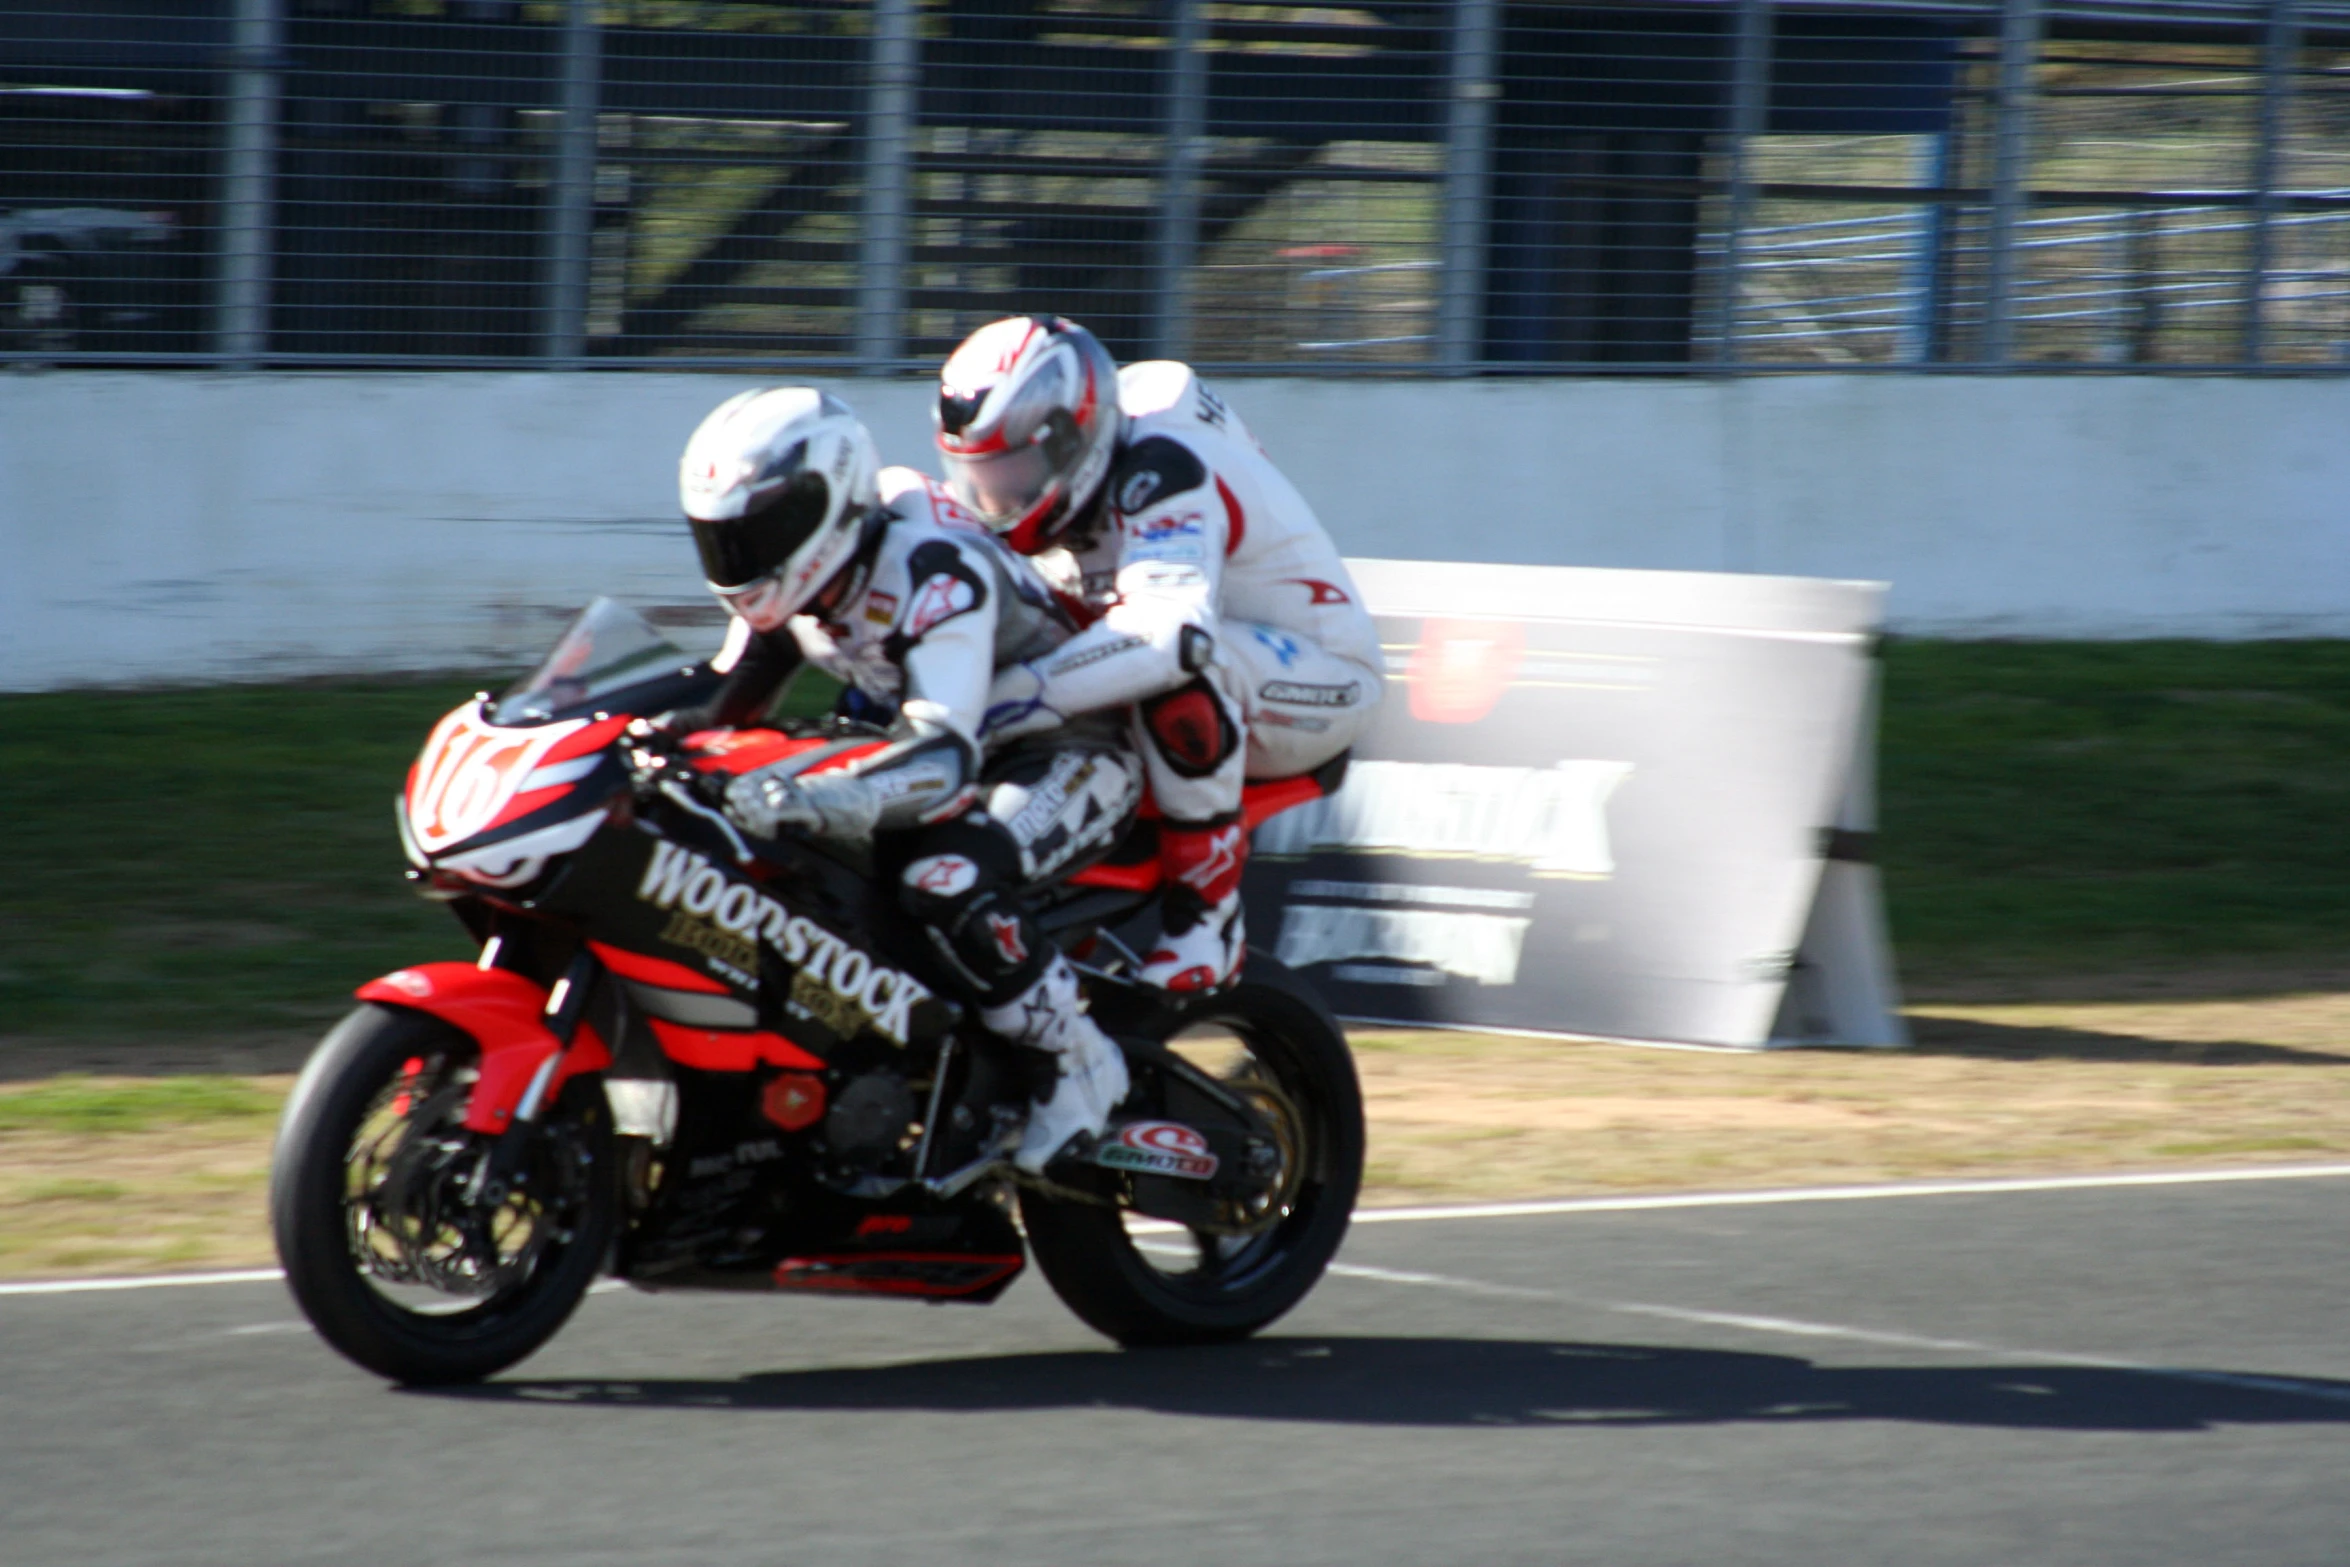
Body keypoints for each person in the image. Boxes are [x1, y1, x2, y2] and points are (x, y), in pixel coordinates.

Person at [674, 385, 1139, 1173]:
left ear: (825, 507)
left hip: (1069, 749)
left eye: (760, 532)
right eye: (725, 539)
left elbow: (942, 760)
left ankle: (1079, 1061)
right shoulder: (802, 584)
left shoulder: (929, 570)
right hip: (948, 745)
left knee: (945, 876)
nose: (743, 557)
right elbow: (716, 701)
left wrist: (814, 798)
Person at [934, 315, 1383, 993]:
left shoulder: (1161, 469)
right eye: (981, 475)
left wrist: (1015, 698)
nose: (996, 496)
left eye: (1014, 470)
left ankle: (1208, 918)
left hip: (1321, 679)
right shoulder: (1054, 487)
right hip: (1215, 662)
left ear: (1069, 440)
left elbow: (1166, 635)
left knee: (1173, 663)